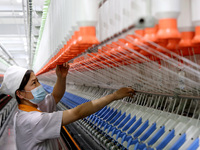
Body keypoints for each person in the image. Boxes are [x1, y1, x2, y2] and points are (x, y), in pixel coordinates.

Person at [0, 63, 135, 150]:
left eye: (38, 81)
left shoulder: (34, 108)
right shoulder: (32, 120)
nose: (39, 86)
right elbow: (78, 113)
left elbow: (56, 96)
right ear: (20, 94)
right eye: (34, 83)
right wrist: (114, 96)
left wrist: (61, 77)